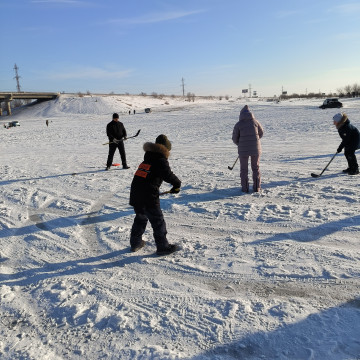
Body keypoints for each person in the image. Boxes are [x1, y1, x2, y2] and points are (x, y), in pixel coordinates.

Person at [129, 134, 181, 255]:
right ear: (165, 149)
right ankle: (163, 247)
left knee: (140, 218)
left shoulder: (147, 158)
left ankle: (135, 243)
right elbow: (168, 175)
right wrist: (177, 184)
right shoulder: (160, 160)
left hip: (136, 194)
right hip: (148, 196)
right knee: (158, 222)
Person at [232, 105, 264, 192]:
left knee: (244, 169)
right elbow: (261, 133)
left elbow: (234, 139)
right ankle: (257, 187)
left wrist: (241, 144)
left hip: (243, 150)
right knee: (256, 168)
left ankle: (245, 188)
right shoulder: (255, 122)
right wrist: (255, 140)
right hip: (255, 149)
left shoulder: (238, 124)